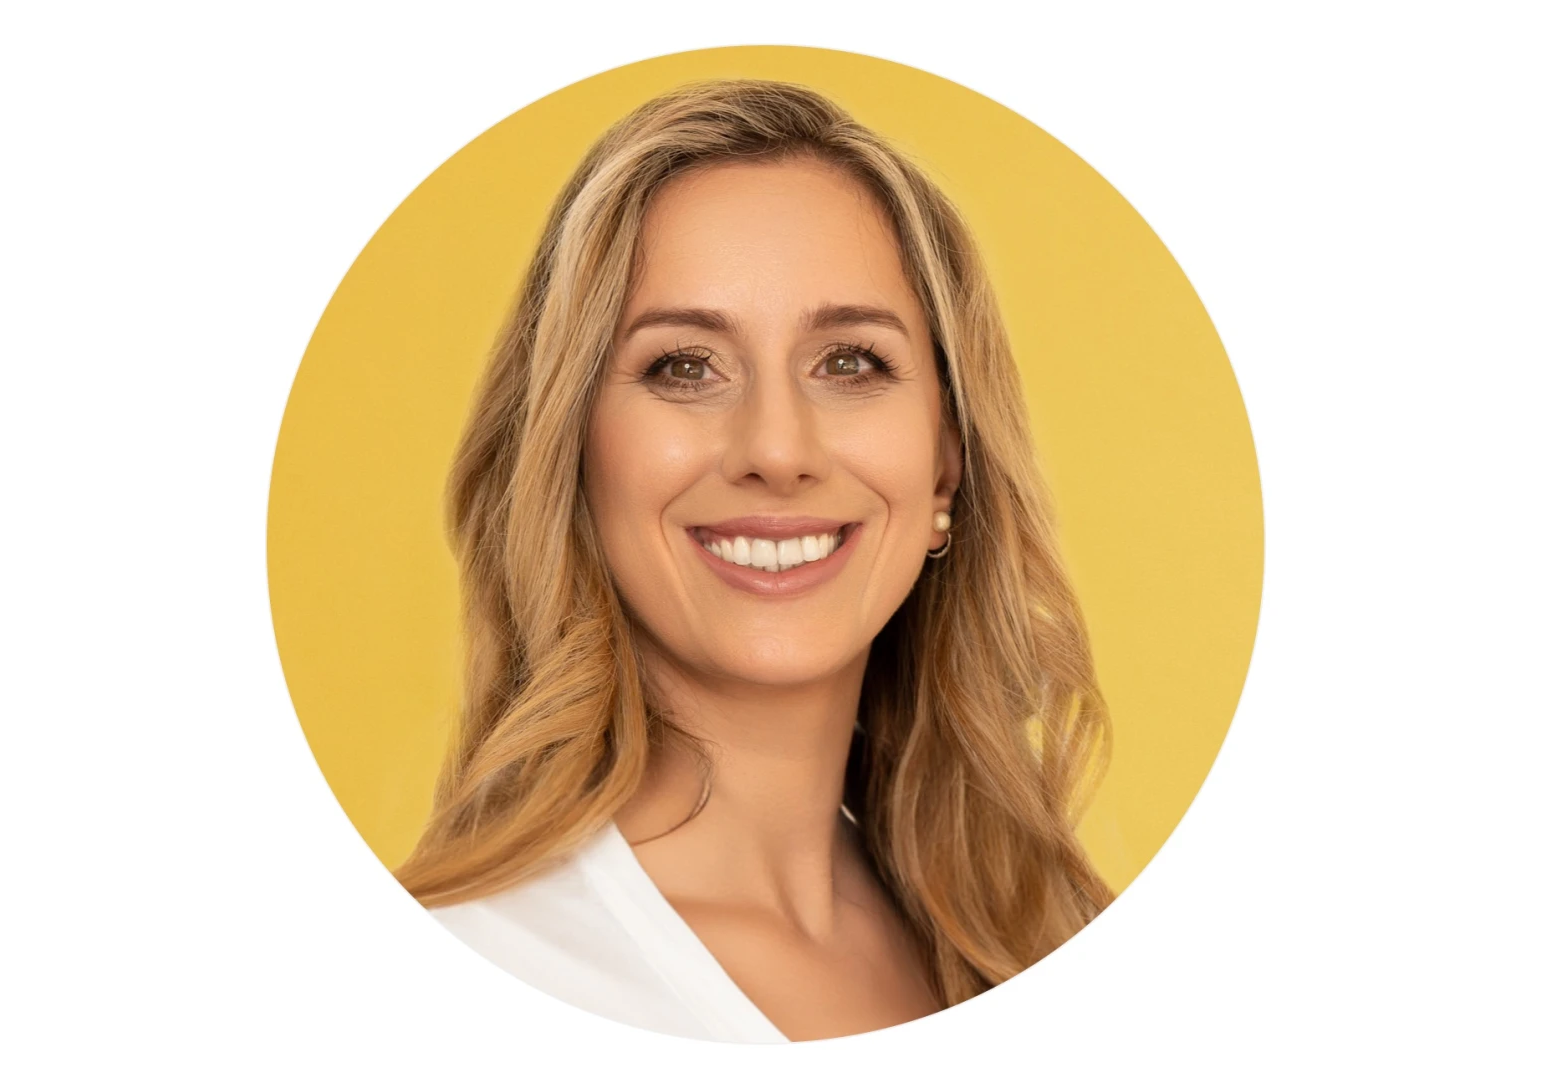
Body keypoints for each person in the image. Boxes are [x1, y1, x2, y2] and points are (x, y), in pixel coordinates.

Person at [394, 79, 1114, 1043]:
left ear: (945, 462)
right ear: (572, 453)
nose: (777, 449)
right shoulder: (464, 979)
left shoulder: (1047, 941)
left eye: (850, 361)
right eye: (683, 366)